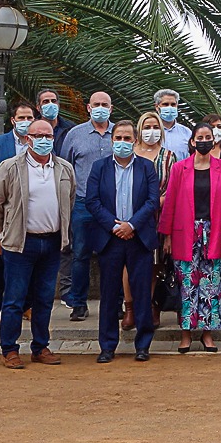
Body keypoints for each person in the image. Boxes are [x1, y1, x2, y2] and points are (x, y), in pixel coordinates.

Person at [0, 118, 75, 369]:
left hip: (52, 242)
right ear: (27, 138)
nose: (44, 140)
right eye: (38, 135)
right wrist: (5, 230)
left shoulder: (64, 168)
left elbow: (70, 200)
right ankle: (9, 349)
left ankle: (40, 346)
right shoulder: (10, 167)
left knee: (44, 298)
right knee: (14, 298)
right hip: (20, 245)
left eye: (48, 136)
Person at [158, 122, 221, 352]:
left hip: (213, 232)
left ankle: (207, 333)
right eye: (199, 137)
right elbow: (170, 203)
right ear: (192, 141)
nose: (204, 141)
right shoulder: (179, 168)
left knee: (211, 285)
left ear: (214, 140)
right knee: (186, 285)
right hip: (185, 233)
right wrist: (167, 236)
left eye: (208, 137)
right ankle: (185, 334)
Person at [86, 120, 160, 362]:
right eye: (118, 138)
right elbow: (92, 201)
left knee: (142, 293)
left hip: (139, 238)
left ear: (135, 141)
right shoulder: (99, 167)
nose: (123, 143)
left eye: (128, 139)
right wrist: (114, 225)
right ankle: (107, 346)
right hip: (110, 238)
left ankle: (143, 345)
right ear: (112, 140)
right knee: (108, 295)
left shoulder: (147, 167)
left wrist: (132, 225)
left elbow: (152, 201)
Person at [0, 100, 36, 327]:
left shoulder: (38, 144)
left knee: (30, 261)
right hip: (3, 217)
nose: (25, 122)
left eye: (29, 118)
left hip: (32, 216)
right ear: (13, 120)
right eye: (21, 118)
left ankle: (27, 305)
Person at [61, 91, 114, 321]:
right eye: (96, 104)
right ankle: (78, 303)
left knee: (112, 255)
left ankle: (115, 303)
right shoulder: (75, 134)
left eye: (105, 104)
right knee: (80, 254)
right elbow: (66, 166)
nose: (101, 108)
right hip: (82, 203)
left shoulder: (120, 134)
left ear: (111, 108)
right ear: (88, 107)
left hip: (112, 204)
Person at [135, 109, 177, 327]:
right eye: (146, 127)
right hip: (129, 217)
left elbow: (173, 188)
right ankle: (130, 306)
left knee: (154, 263)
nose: (151, 132)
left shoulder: (169, 157)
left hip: (158, 216)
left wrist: (153, 204)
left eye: (154, 128)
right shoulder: (130, 153)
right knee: (128, 263)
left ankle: (151, 305)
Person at [35, 88, 74, 303]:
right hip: (38, 196)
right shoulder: (31, 130)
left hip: (63, 192)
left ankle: (67, 292)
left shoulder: (70, 130)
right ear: (39, 107)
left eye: (53, 100)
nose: (50, 104)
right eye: (45, 101)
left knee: (67, 246)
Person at [154, 88, 192, 160]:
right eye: (165, 104)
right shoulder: (149, 132)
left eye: (173, 104)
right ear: (157, 107)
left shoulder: (187, 133)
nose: (170, 107)